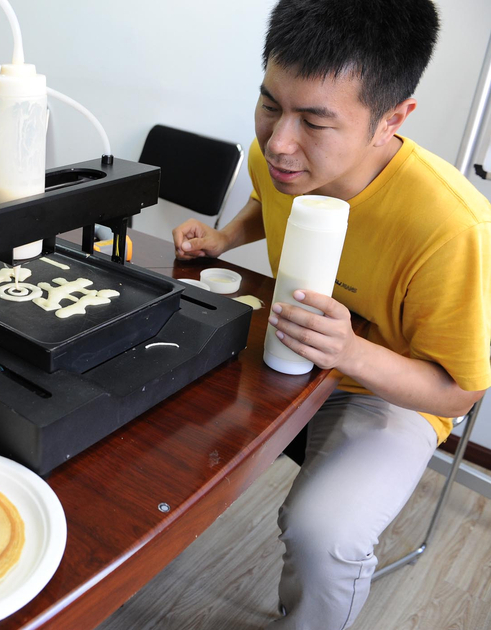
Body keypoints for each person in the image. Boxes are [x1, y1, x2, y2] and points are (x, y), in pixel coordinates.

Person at [172, 0, 491, 628]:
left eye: (314, 121)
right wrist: (224, 239)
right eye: (269, 104)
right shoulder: (278, 159)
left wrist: (349, 352)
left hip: (386, 389)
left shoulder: (452, 228)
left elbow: (459, 393)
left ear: (391, 120)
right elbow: (266, 202)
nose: (278, 142)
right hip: (284, 343)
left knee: (323, 534)